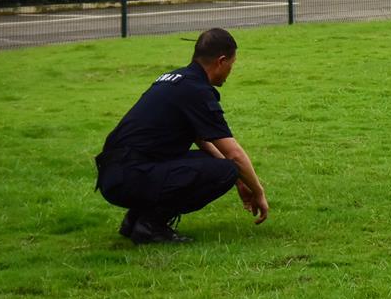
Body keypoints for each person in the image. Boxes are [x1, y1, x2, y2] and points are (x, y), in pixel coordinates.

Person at [95, 28, 269, 244]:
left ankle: (136, 219)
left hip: (116, 171)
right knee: (225, 170)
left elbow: (202, 139)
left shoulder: (177, 79)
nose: (230, 71)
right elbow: (234, 153)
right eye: (231, 65)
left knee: (219, 165)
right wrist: (258, 191)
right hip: (129, 175)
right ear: (221, 61)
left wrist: (240, 179)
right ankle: (151, 225)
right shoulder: (196, 90)